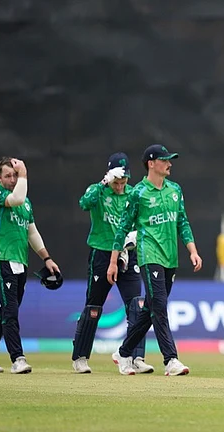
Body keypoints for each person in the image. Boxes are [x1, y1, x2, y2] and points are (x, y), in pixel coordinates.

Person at [108, 144, 203, 376]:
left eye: (170, 160)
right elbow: (122, 229)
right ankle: (171, 360)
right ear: (151, 163)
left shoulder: (175, 190)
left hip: (170, 257)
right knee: (159, 306)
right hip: (149, 255)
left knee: (151, 309)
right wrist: (112, 261)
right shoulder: (138, 192)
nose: (169, 164)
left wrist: (192, 250)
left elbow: (182, 222)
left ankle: (123, 352)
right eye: (165, 160)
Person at [0, 157, 61, 374]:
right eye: (8, 175)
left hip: (20, 260)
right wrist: (23, 174)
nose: (12, 179)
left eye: (14, 175)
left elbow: (32, 231)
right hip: (1, 257)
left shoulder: (26, 202)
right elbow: (17, 198)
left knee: (8, 309)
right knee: (11, 310)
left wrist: (47, 258)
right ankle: (17, 358)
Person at [71, 153, 152, 374]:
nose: (120, 186)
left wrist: (134, 239)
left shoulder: (134, 193)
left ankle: (136, 357)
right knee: (94, 307)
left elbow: (142, 221)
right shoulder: (99, 191)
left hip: (128, 254)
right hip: (102, 254)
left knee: (137, 306)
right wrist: (104, 182)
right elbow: (84, 203)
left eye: (123, 181)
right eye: (116, 181)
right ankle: (80, 357)